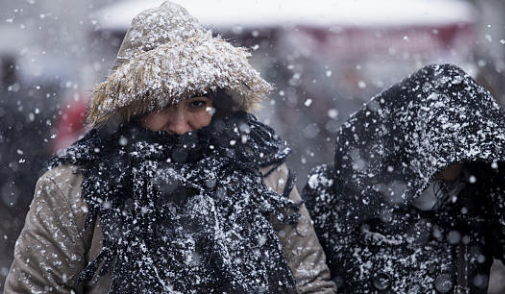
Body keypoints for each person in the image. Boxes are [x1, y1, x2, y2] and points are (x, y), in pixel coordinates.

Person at [5, 2, 336, 293]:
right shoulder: (73, 187)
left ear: (218, 106)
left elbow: (309, 282)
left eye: (196, 103)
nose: (179, 125)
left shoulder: (263, 176)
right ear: (129, 110)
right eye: (159, 105)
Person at [303, 64, 505, 293]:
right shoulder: (336, 195)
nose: (437, 171)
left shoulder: (479, 198)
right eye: (431, 158)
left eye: (451, 160)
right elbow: (307, 279)